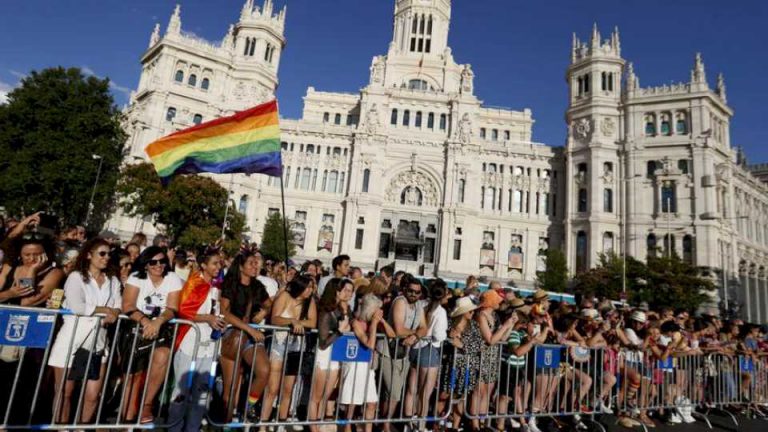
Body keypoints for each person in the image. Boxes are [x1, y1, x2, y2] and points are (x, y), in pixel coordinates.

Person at [47, 238, 122, 424]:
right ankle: (61, 428)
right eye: (102, 253)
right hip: (71, 340)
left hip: (98, 341)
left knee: (93, 395)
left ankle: (81, 428)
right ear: (89, 255)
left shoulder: (113, 281)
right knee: (65, 392)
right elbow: (77, 306)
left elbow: (118, 305)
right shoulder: (76, 277)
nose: (106, 258)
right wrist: (105, 310)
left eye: (109, 254)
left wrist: (115, 312)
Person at [120, 246, 182, 423]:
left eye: (162, 261)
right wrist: (146, 321)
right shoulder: (136, 277)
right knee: (133, 375)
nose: (159, 265)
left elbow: (172, 308)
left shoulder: (172, 278)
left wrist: (157, 322)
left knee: (163, 355)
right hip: (136, 326)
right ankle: (127, 418)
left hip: (161, 325)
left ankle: (147, 404)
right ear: (145, 264)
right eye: (153, 262)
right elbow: (128, 305)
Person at [168, 247, 227, 432]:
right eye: (214, 263)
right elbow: (184, 311)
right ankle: (174, 428)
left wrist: (218, 320)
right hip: (189, 344)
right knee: (182, 393)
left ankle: (192, 428)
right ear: (203, 265)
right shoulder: (194, 282)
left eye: (220, 263)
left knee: (202, 394)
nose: (219, 267)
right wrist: (207, 318)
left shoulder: (217, 288)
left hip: (209, 347)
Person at [219, 250, 271, 421]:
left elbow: (269, 304)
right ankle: (224, 424)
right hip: (232, 334)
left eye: (256, 263)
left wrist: (263, 312)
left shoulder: (258, 286)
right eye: (251, 263)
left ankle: (247, 406)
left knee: (264, 371)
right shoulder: (231, 284)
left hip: (251, 336)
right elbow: (224, 312)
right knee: (231, 387)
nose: (255, 266)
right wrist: (249, 329)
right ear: (241, 267)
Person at [261, 276, 317, 424]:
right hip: (279, 343)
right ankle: (263, 424)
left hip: (297, 345)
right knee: (272, 388)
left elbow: (312, 322)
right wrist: (291, 321)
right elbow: (275, 319)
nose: (310, 290)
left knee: (288, 389)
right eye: (308, 287)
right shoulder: (285, 296)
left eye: (312, 287)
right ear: (301, 286)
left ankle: (281, 423)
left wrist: (298, 322)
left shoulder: (309, 302)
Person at [339, 294, 395, 432]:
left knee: (371, 402)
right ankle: (347, 427)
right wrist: (375, 323)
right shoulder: (356, 323)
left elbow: (393, 335)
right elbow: (369, 344)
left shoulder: (374, 322)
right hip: (355, 364)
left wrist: (382, 321)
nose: (380, 312)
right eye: (377, 309)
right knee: (352, 402)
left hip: (368, 366)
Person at [379, 275, 426, 432]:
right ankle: (385, 423)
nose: (414, 294)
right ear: (405, 290)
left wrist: (415, 336)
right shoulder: (400, 302)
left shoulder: (419, 305)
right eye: (411, 291)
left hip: (404, 352)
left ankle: (384, 422)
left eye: (417, 292)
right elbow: (399, 330)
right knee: (395, 392)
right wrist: (416, 333)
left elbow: (425, 328)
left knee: (390, 393)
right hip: (388, 350)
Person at [308, 278, 354, 432]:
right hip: (323, 355)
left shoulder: (342, 309)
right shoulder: (326, 311)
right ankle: (313, 428)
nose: (347, 293)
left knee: (326, 395)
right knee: (316, 396)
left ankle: (319, 425)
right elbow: (322, 343)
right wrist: (340, 331)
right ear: (336, 290)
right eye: (343, 289)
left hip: (336, 356)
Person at [404, 280, 450, 429]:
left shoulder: (420, 304)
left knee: (412, 389)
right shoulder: (440, 311)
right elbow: (438, 335)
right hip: (430, 349)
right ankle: (420, 425)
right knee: (425, 393)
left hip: (415, 347)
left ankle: (407, 423)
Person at [469, 290, 517, 432]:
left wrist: (510, 324)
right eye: (497, 300)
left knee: (487, 392)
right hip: (481, 355)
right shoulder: (480, 315)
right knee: (478, 391)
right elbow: (490, 340)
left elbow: (502, 338)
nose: (500, 303)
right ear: (490, 301)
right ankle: (475, 425)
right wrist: (505, 325)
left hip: (492, 356)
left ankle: (482, 422)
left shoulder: (494, 315)